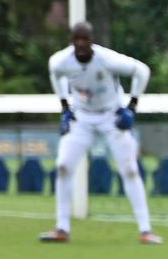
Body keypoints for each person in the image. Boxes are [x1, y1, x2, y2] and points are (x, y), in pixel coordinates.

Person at [40, 21, 160, 245]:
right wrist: (65, 107)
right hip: (82, 117)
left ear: (92, 40)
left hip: (111, 116)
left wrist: (131, 106)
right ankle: (62, 228)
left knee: (130, 170)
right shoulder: (60, 61)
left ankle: (146, 230)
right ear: (71, 41)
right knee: (64, 166)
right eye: (77, 39)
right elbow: (55, 75)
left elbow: (142, 71)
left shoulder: (107, 60)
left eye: (85, 39)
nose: (81, 44)